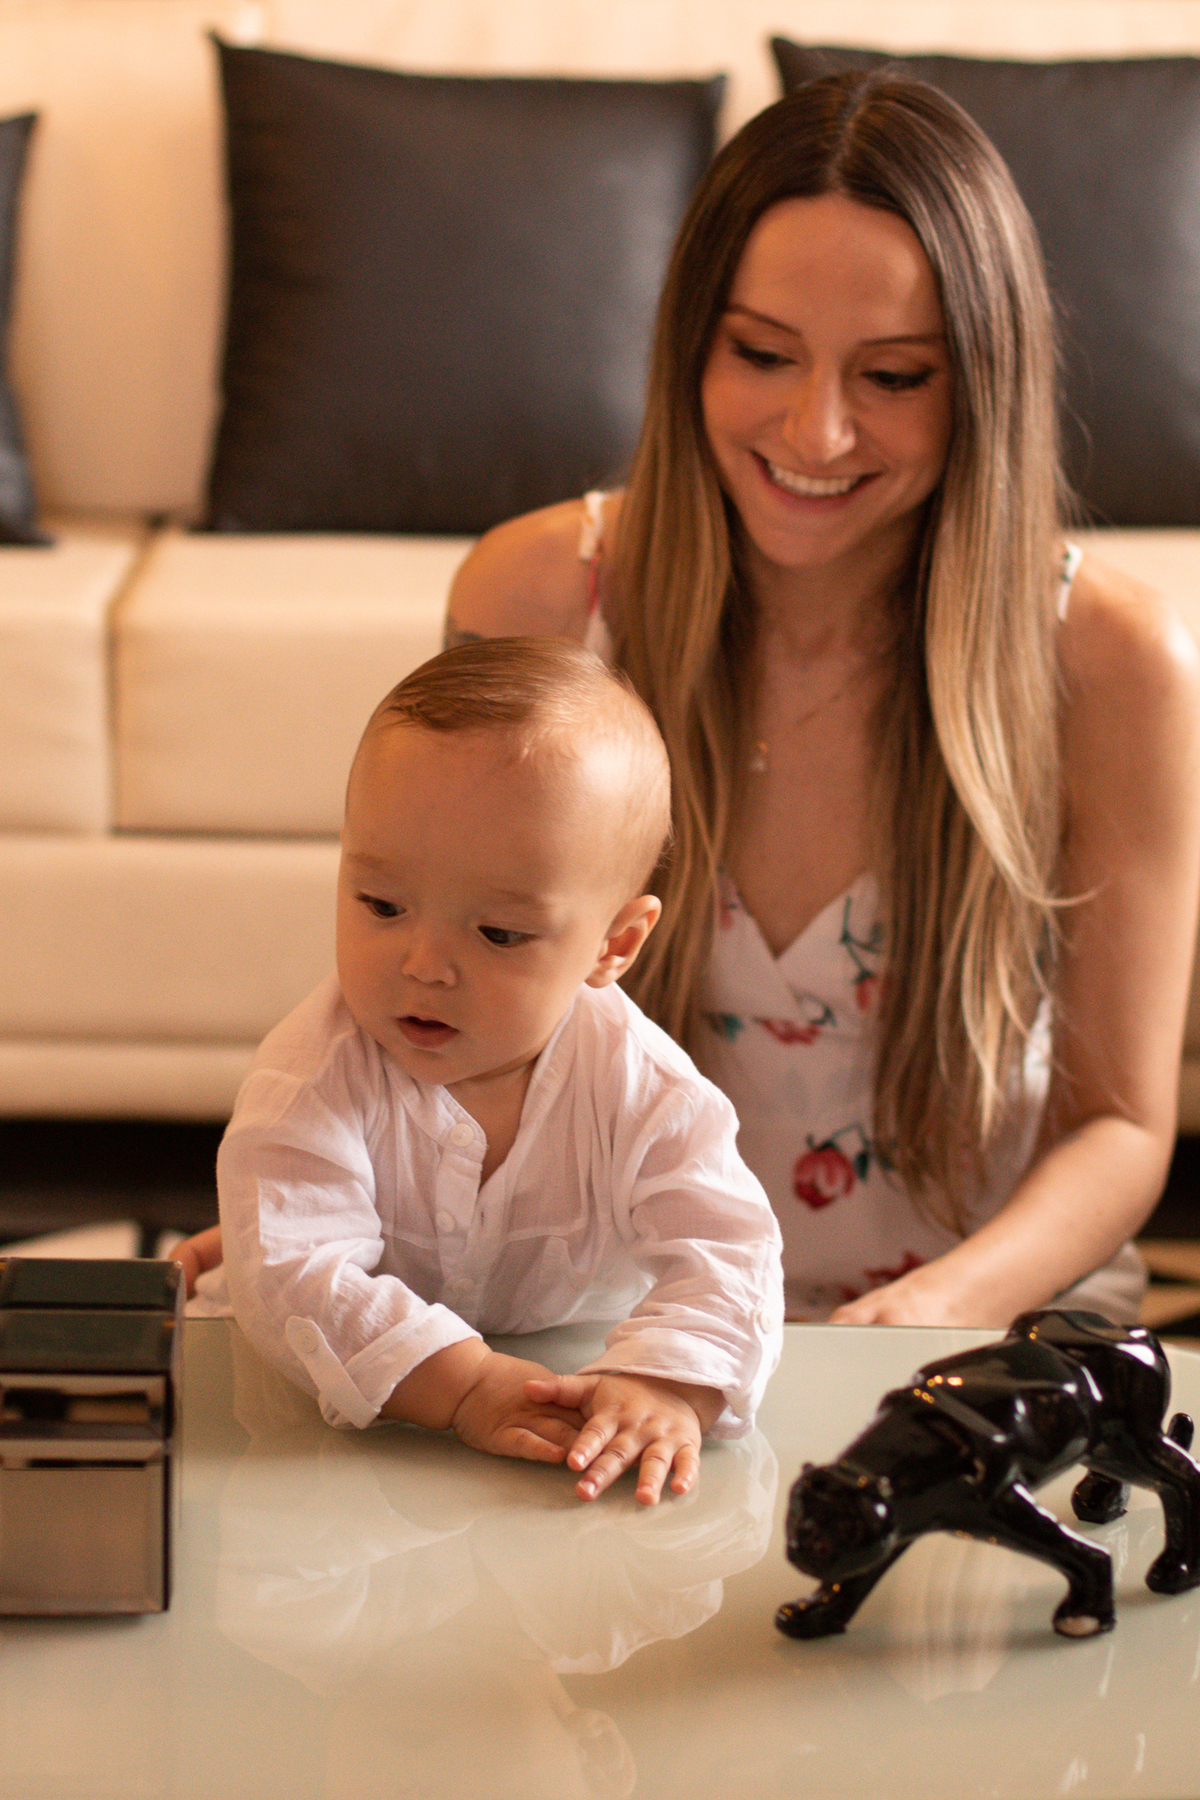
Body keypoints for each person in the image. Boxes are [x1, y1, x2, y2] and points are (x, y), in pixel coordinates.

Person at [438, 71, 1200, 1328]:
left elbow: (1118, 1122)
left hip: (981, 1311)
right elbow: (433, 1006)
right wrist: (321, 1201)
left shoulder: (1114, 662)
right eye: (762, 354)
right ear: (692, 344)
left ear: (982, 383)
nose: (817, 431)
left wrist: (934, 1311)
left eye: (893, 376)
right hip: (616, 1313)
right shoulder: (538, 599)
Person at [212, 637, 784, 1505]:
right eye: (382, 905)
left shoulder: (644, 1088)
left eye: (500, 934)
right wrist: (464, 1384)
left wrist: (668, 1381)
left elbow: (731, 1248)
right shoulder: (311, 1078)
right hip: (341, 1453)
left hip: (573, 1387)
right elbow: (296, 1276)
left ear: (615, 943)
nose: (424, 965)